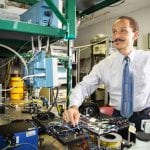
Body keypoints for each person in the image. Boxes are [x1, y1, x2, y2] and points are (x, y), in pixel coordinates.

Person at [63, 16, 150, 131]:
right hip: (117, 118)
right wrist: (74, 106)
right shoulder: (105, 65)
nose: (117, 36)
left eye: (123, 31)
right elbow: (84, 86)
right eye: (114, 32)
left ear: (135, 35)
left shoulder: (147, 59)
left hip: (144, 118)